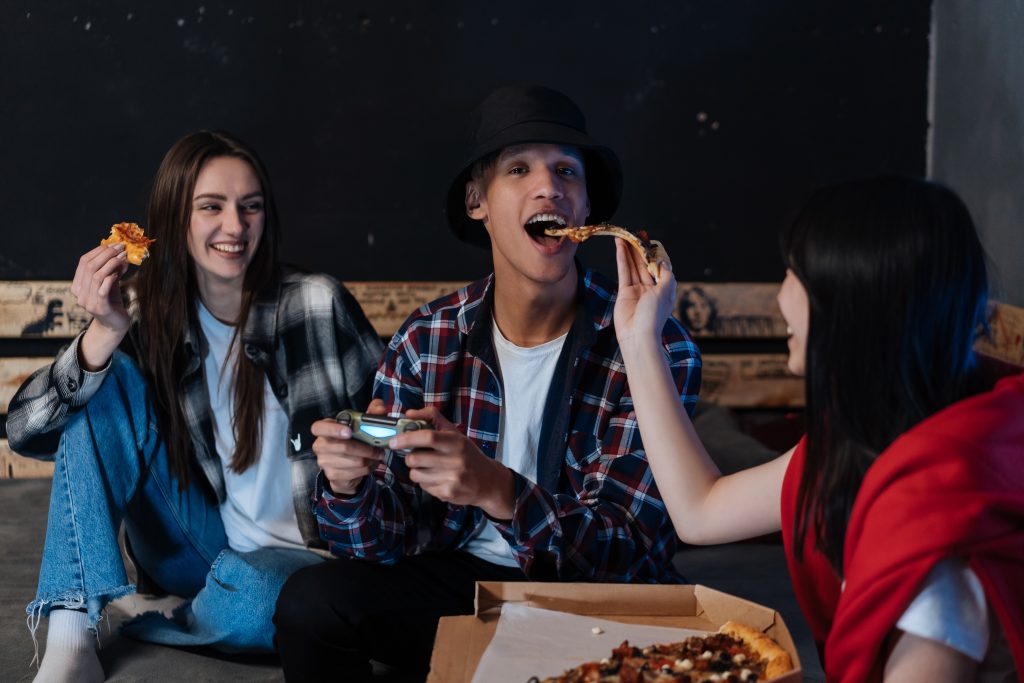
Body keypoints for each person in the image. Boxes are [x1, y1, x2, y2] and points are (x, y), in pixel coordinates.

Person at [272, 84, 702, 681]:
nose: (549, 186)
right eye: (519, 169)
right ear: (478, 200)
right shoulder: (428, 338)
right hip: (465, 590)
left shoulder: (654, 343)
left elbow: (624, 549)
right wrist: (349, 488)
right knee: (309, 603)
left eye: (567, 172)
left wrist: (495, 488)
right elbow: (380, 542)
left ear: (586, 210)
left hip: (601, 608)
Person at [612, 175, 1024, 682]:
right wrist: (638, 338)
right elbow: (702, 510)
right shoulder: (878, 438)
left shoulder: (938, 534)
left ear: (850, 304)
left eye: (795, 272)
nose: (781, 294)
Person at [6, 130, 383, 683]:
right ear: (175, 219)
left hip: (306, 562)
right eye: (212, 207)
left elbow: (390, 430)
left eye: (250, 207)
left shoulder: (316, 302)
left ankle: (164, 616)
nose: (235, 226)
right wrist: (103, 335)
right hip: (196, 543)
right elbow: (27, 434)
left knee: (260, 602)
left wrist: (358, 454)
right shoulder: (150, 318)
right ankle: (71, 637)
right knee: (104, 380)